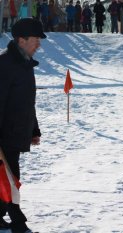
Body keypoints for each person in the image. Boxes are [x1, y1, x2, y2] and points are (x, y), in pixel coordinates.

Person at [0, 18, 45, 233]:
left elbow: (27, 101)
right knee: (10, 179)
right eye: (36, 39)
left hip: (16, 133)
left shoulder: (25, 64)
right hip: (3, 136)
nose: (39, 44)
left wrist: (33, 130)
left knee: (7, 178)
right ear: (21, 40)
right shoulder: (4, 65)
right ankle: (18, 223)